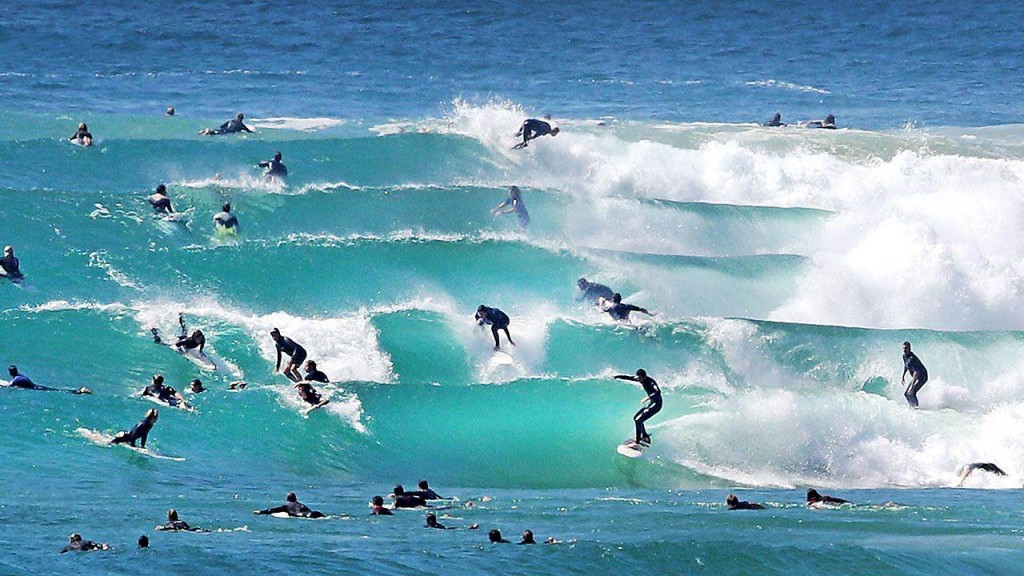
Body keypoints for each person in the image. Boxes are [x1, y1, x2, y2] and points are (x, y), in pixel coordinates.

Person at [614, 368, 662, 446]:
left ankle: (637, 442)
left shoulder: (651, 381)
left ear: (644, 376)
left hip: (657, 404)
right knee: (636, 418)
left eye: (640, 378)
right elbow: (628, 377)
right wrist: (617, 376)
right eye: (638, 378)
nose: (639, 380)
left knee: (638, 420)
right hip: (652, 403)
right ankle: (645, 436)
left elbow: (658, 391)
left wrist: (648, 397)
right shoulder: (640, 379)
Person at [6, 365, 91, 394]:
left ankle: (78, 392)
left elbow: (9, 386)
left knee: (58, 391)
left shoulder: (16, 380)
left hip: (37, 389)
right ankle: (78, 391)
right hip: (38, 387)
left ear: (10, 373)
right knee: (57, 390)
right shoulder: (20, 376)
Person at [253, 492, 325, 518]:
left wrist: (260, 512)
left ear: (287, 499)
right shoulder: (301, 505)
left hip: (302, 516)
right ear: (295, 498)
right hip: (315, 513)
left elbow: (272, 510)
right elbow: (309, 511)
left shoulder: (286, 506)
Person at [901, 341, 928, 408]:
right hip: (916, 376)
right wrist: (903, 376)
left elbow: (916, 372)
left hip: (923, 377)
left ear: (909, 348)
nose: (904, 350)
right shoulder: (904, 356)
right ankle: (912, 405)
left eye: (906, 348)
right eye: (903, 348)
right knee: (906, 394)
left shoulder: (912, 358)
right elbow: (906, 366)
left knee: (912, 392)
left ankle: (916, 408)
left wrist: (912, 385)